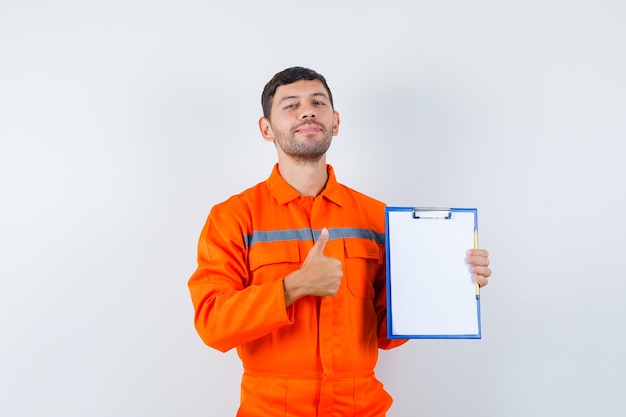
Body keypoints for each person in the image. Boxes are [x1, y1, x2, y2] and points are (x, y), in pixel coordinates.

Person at [188, 66, 492, 417]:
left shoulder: (376, 218)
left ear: (335, 122)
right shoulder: (234, 218)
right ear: (266, 129)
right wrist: (291, 287)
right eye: (290, 105)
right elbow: (212, 324)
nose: (307, 111)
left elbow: (384, 332)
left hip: (359, 407)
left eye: (318, 102)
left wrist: (451, 283)